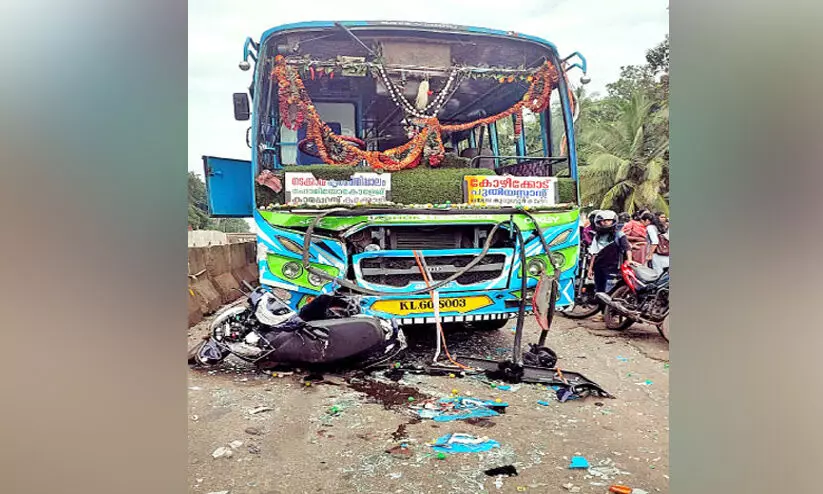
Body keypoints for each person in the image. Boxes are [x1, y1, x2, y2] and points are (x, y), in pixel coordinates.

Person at [586, 210, 632, 294]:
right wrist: (590, 269)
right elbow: (594, 253)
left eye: (608, 220)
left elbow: (627, 248)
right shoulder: (597, 236)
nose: (606, 223)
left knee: (611, 291)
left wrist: (629, 260)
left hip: (614, 268)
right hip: (599, 267)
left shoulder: (619, 234)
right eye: (603, 221)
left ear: (613, 221)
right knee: (599, 291)